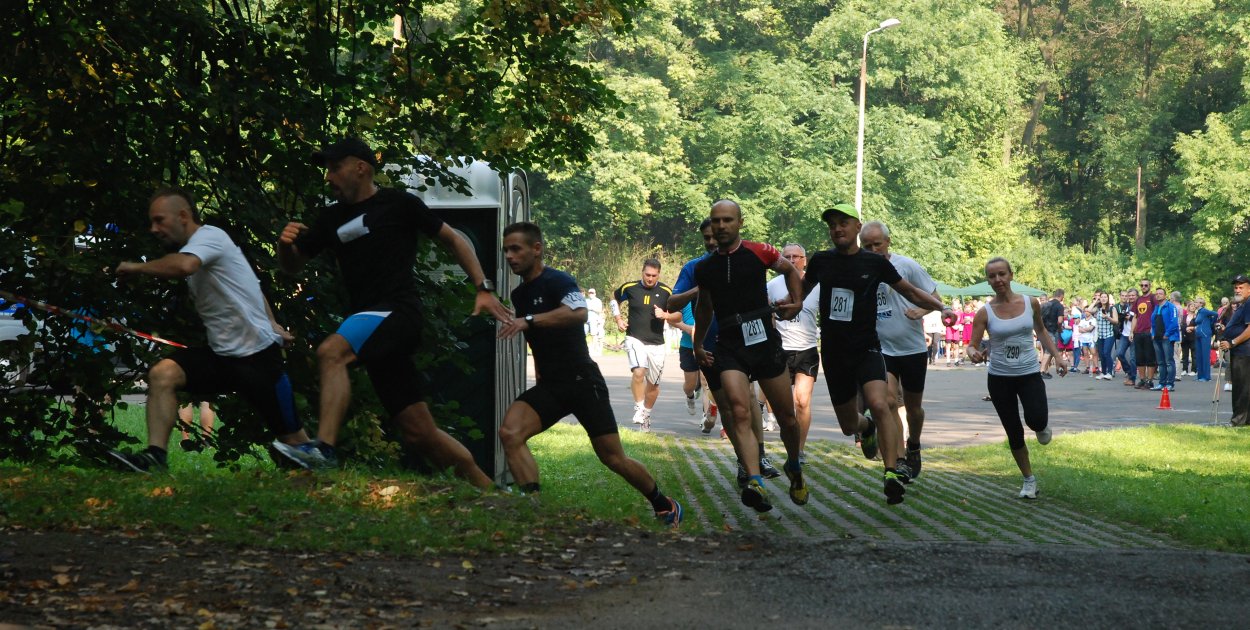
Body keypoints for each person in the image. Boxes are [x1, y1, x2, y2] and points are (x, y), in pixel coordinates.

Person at [275, 137, 510, 484]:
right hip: (370, 325)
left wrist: (483, 288)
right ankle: (490, 491)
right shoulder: (330, 218)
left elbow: (455, 239)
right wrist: (285, 246)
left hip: (398, 312)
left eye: (335, 167)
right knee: (420, 433)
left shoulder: (399, 204)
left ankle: (322, 450)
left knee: (331, 353)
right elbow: (293, 266)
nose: (329, 177)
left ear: (361, 167)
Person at [109, 187, 319, 473]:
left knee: (296, 444)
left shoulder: (209, 238)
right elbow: (251, 286)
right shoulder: (204, 246)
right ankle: (155, 457)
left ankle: (321, 473)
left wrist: (136, 267)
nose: (153, 229)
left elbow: (185, 266)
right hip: (222, 357)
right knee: (163, 373)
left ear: (183, 216)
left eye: (159, 220)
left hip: (257, 359)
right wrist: (271, 321)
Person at [495, 222, 684, 527]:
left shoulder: (559, 281)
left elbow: (578, 313)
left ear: (536, 249)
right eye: (506, 250)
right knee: (510, 433)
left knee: (612, 458)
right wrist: (539, 368)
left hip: (584, 382)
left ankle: (664, 504)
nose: (510, 256)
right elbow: (535, 337)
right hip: (552, 386)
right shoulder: (520, 295)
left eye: (516, 248)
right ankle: (534, 510)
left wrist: (528, 320)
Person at [801, 204, 956, 505]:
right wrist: (786, 307)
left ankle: (892, 471)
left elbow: (912, 291)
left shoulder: (876, 264)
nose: (837, 229)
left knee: (882, 402)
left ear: (856, 226)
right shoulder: (821, 261)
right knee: (849, 424)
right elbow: (801, 293)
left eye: (843, 223)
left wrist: (942, 307)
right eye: (832, 224)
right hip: (834, 353)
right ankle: (867, 427)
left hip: (871, 348)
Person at [693, 200, 807, 512]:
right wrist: (698, 344)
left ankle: (794, 466)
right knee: (739, 412)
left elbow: (792, 270)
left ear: (740, 222)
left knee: (786, 417)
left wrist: (796, 301)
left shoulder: (761, 252)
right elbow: (704, 307)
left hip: (763, 340)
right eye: (716, 221)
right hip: (729, 343)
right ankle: (755, 479)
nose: (721, 226)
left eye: (728, 220)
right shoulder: (705, 267)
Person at [669, 220, 780, 483]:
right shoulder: (695, 268)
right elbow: (672, 301)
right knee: (727, 407)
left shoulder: (743, 261)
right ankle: (744, 458)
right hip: (709, 344)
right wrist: (703, 287)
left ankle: (759, 455)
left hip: (741, 341)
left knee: (748, 397)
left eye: (714, 236)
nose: (711, 242)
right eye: (706, 238)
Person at [965, 257, 1067, 499]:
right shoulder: (984, 312)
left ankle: (1041, 426)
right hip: (1000, 378)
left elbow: (1041, 330)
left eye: (1002, 274)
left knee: (1036, 420)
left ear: (1011, 275)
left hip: (1029, 374)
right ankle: (1028, 480)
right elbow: (971, 345)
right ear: (988, 280)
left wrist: (1058, 357)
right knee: (1013, 431)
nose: (997, 280)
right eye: (992, 276)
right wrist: (974, 354)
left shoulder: (1030, 303)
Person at [859, 220, 939, 480]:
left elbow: (935, 298)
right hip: (882, 349)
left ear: (888, 242)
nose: (873, 250)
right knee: (889, 402)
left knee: (914, 409)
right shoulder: (860, 269)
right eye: (867, 246)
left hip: (912, 348)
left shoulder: (906, 266)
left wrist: (921, 310)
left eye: (877, 244)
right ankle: (901, 459)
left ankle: (914, 443)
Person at [765, 242, 820, 461]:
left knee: (802, 401)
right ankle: (789, 442)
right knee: (783, 406)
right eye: (786, 256)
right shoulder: (773, 285)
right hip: (781, 350)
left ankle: (799, 450)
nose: (791, 260)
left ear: (804, 260)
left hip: (806, 349)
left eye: (796, 256)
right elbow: (766, 314)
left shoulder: (816, 285)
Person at [611, 259, 673, 430]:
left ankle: (646, 413)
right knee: (639, 371)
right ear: (642, 272)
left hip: (657, 343)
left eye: (654, 275)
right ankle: (638, 407)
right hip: (634, 338)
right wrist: (618, 319)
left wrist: (666, 315)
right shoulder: (629, 288)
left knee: (653, 384)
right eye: (647, 275)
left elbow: (678, 316)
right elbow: (614, 298)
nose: (650, 279)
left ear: (658, 274)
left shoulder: (667, 291)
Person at [1220, 275, 1250, 426]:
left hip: (1244, 351)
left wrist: (1232, 342)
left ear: (1249, 289)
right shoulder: (1242, 304)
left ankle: (1238, 421)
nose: (1237, 290)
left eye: (1241, 287)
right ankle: (1245, 420)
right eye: (1236, 287)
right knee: (1242, 386)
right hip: (1240, 351)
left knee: (1241, 388)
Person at [1150, 287, 1180, 392]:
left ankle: (1170, 383)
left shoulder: (1171, 307)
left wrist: (1167, 334)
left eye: (1160, 293)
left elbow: (1174, 322)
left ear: (1165, 295)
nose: (1158, 295)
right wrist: (1153, 333)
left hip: (1167, 338)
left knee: (1168, 361)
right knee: (1160, 362)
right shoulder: (1156, 307)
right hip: (1157, 338)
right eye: (1156, 293)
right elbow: (1153, 322)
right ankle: (1161, 383)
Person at [1132, 279, 1158, 390]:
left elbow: (1157, 314)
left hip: (1149, 332)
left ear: (1150, 286)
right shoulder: (1138, 300)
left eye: (1146, 285)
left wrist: (1153, 329)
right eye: (1142, 285)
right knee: (1139, 358)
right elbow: (1135, 316)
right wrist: (1131, 332)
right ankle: (1142, 379)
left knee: (1150, 357)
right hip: (1138, 332)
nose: (1143, 287)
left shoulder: (1153, 298)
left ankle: (1150, 380)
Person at [1113, 288, 1138, 386]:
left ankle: (1132, 378)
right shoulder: (1126, 306)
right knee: (1119, 353)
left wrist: (1131, 318)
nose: (1131, 297)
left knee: (1132, 358)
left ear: (1137, 296)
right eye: (1129, 295)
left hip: (1134, 334)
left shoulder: (1139, 306)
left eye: (1133, 295)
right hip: (1124, 333)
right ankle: (1128, 371)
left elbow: (1142, 319)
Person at [1190, 298, 1217, 382]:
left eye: (1196, 302)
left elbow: (1215, 314)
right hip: (1198, 334)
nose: (1194, 303)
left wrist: (1211, 323)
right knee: (1199, 355)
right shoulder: (1198, 312)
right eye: (1194, 302)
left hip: (1205, 334)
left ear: (1201, 304)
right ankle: (1200, 375)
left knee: (1205, 355)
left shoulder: (1204, 311)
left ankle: (1206, 376)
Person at [584, 287, 605, 356]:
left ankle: (594, 349)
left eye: (592, 293)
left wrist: (592, 308)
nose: (591, 294)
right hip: (586, 320)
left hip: (594, 320)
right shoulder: (586, 300)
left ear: (595, 294)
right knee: (583, 334)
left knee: (594, 335)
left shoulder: (598, 301)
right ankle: (585, 349)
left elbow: (600, 310)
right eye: (590, 293)